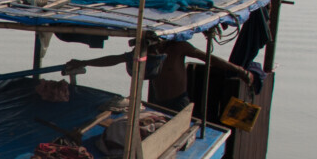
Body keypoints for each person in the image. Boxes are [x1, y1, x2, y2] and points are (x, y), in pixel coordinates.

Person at [62, 32, 255, 108]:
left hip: (179, 101)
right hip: (158, 101)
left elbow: (209, 58)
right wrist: (84, 61)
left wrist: (239, 70)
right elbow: (116, 59)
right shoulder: (144, 51)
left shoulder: (178, 47)